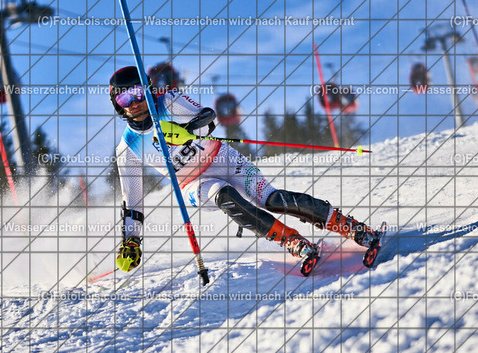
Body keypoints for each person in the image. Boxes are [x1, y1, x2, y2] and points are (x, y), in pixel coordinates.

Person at [109, 66, 381, 275]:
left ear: (148, 90)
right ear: (117, 104)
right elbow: (133, 201)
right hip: (193, 184)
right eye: (124, 99)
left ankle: (351, 227)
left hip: (222, 158)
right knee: (224, 195)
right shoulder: (128, 147)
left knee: (272, 199)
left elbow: (208, 118)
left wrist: (187, 131)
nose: (133, 103)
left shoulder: (168, 101)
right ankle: (293, 242)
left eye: (137, 93)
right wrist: (132, 240)